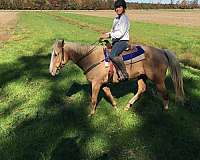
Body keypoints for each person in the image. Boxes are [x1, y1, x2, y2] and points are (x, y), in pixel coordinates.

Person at [100, 0, 130, 81]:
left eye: (119, 7)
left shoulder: (124, 18)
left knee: (112, 55)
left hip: (122, 41)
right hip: (116, 41)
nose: (117, 9)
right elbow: (113, 32)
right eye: (116, 7)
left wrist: (109, 35)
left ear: (123, 8)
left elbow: (120, 33)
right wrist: (105, 35)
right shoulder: (116, 19)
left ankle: (124, 73)